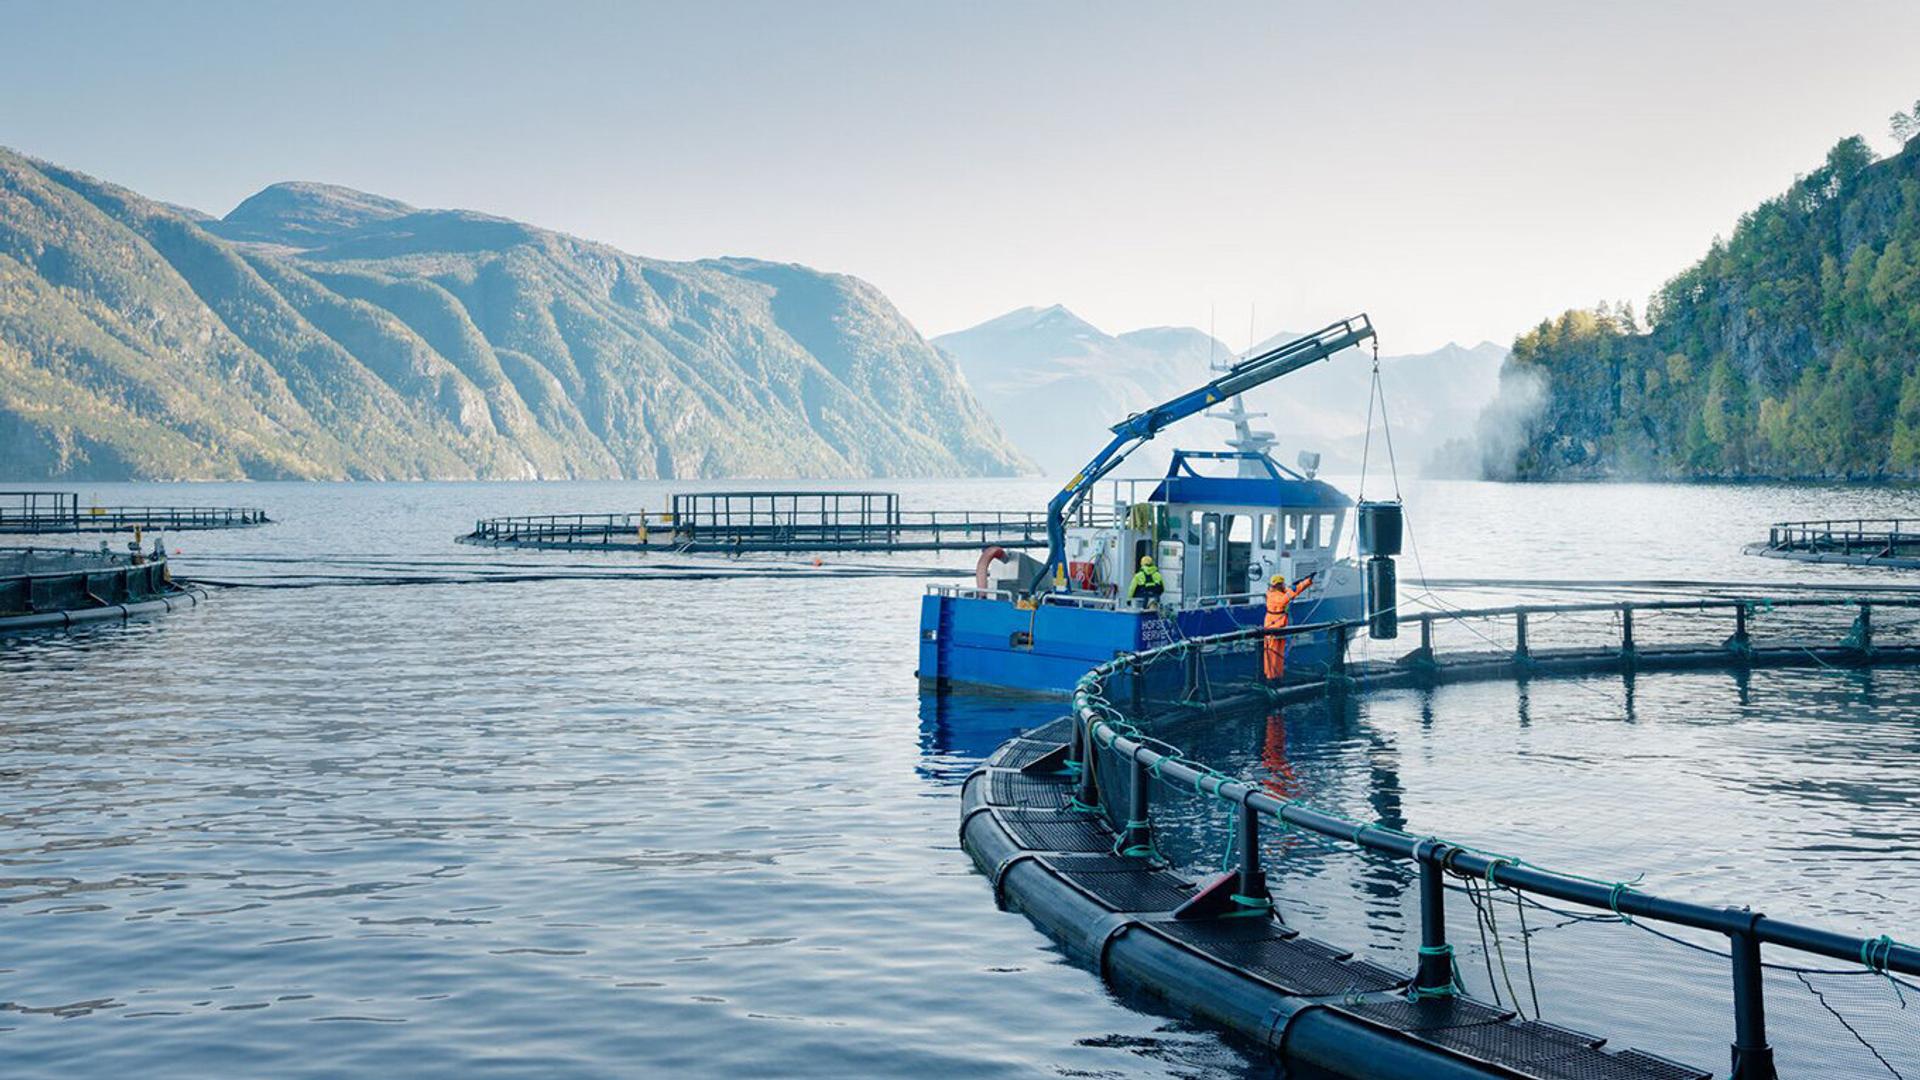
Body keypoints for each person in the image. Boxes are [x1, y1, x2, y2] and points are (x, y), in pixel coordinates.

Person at [1263, 573, 1314, 681]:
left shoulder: (1280, 592)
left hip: (1281, 626)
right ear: (1279, 585)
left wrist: (1306, 581)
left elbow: (1294, 591)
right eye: (1282, 584)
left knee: (1279, 653)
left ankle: (1278, 675)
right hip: (1272, 627)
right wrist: (1292, 589)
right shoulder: (1272, 595)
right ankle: (1270, 677)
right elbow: (1283, 600)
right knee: (1271, 653)